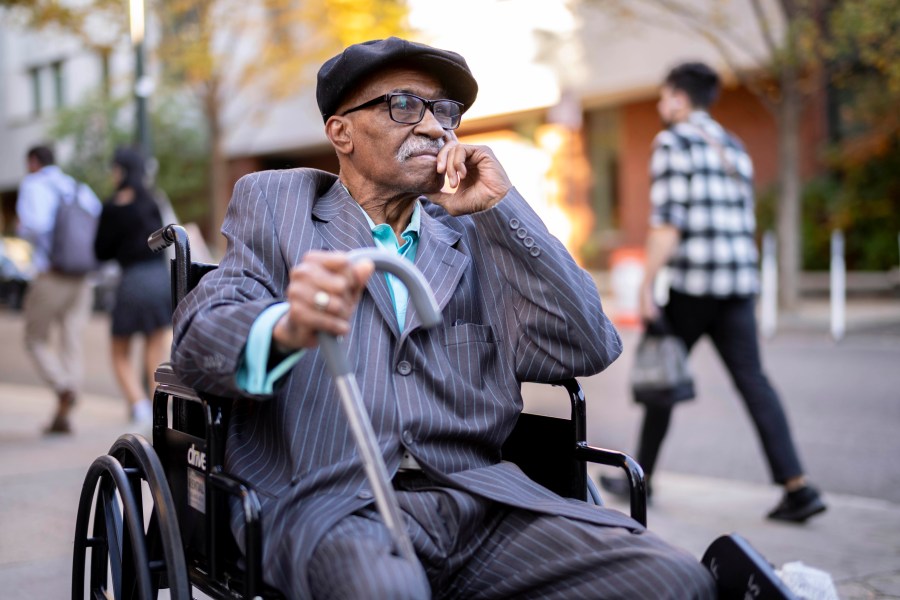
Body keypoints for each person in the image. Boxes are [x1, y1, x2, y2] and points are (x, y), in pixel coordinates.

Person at [171, 38, 716, 599]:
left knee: (673, 579)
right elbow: (201, 335)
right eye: (405, 106)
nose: (436, 128)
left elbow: (589, 345)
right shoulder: (280, 206)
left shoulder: (473, 230)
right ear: (342, 133)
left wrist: (503, 208)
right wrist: (285, 326)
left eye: (445, 111)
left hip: (481, 503)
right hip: (333, 506)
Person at [599, 62, 827, 524]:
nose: (663, 106)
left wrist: (646, 284)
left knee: (662, 374)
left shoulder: (673, 140)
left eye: (665, 97)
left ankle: (640, 476)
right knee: (753, 381)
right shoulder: (732, 145)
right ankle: (797, 486)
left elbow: (667, 222)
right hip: (738, 283)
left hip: (695, 284)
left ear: (680, 98)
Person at [16, 145, 102, 434]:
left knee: (34, 338)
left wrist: (21, 230)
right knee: (71, 341)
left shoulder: (33, 185)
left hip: (51, 274)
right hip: (82, 276)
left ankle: (63, 386)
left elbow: (35, 226)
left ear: (33, 162)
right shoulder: (77, 187)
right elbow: (97, 222)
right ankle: (65, 413)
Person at [94, 147, 172, 424]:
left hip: (131, 281)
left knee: (119, 352)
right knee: (155, 349)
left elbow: (100, 251)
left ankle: (137, 404)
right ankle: (155, 406)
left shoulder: (112, 206)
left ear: (122, 170)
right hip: (159, 279)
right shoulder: (152, 201)